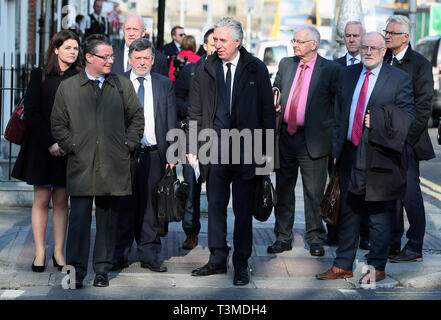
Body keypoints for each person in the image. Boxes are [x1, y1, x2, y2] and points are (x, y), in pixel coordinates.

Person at [316, 32, 415, 284]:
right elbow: (339, 115)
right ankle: (342, 264)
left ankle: (377, 266)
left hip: (379, 155)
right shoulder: (348, 75)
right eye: (365, 47)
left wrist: (379, 121)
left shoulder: (399, 79)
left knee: (378, 214)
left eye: (374, 48)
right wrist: (336, 153)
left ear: (384, 51)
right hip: (350, 152)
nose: (368, 51)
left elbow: (409, 118)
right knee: (347, 211)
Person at [51, 34, 144, 289]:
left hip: (113, 165)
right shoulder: (69, 88)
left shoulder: (122, 86)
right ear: (89, 58)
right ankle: (75, 273)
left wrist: (128, 144)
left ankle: (102, 270)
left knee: (107, 221)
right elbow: (58, 124)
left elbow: (137, 118)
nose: (111, 61)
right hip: (81, 166)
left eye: (112, 56)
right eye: (106, 57)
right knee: (79, 222)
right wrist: (72, 145)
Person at [188, 17, 275, 286]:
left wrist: (267, 158)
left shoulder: (255, 68)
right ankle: (216, 258)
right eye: (215, 39)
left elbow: (267, 114)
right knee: (214, 207)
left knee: (242, 210)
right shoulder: (205, 67)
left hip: (246, 151)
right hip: (214, 150)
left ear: (238, 41)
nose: (217, 44)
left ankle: (240, 263)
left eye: (222, 40)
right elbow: (195, 110)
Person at [12, 30, 82, 273]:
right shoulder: (39, 75)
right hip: (42, 147)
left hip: (68, 147)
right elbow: (32, 112)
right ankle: (40, 252)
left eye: (75, 48)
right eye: (68, 48)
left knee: (62, 201)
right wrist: (51, 142)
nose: (73, 52)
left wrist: (66, 142)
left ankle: (59, 252)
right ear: (55, 49)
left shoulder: (80, 76)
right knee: (41, 200)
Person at [268, 25, 340, 257]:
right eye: (294, 40)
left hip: (314, 141)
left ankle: (316, 238)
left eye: (299, 41)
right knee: (284, 191)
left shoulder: (329, 69)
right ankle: (283, 237)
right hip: (286, 138)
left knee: (313, 192)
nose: (294, 45)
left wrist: (334, 142)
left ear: (314, 44)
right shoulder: (286, 64)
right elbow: (277, 88)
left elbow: (338, 107)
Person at [111, 38, 177, 272]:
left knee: (151, 207)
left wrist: (172, 154)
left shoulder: (164, 84)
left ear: (153, 60)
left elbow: (170, 120)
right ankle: (119, 254)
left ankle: (150, 254)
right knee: (123, 204)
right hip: (124, 155)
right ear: (129, 60)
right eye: (137, 58)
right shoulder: (117, 83)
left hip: (154, 154)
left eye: (146, 58)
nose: (141, 62)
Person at [383, 15, 435, 262]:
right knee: (390, 194)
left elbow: (423, 107)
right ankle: (393, 243)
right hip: (382, 139)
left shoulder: (420, 64)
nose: (387, 36)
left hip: (407, 142)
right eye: (386, 31)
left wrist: (405, 138)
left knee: (409, 194)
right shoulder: (384, 59)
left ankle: (414, 246)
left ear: (405, 37)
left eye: (392, 33)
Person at [329, 21, 371, 250]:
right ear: (343, 38)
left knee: (364, 192)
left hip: (367, 142)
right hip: (344, 143)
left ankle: (365, 235)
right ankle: (336, 233)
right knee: (340, 191)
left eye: (356, 35)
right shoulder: (336, 68)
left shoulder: (376, 68)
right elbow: (334, 108)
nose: (352, 39)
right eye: (348, 35)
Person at [174, 28, 215, 250]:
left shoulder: (226, 72)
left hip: (219, 139)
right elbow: (177, 98)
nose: (216, 46)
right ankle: (191, 231)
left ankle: (218, 236)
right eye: (212, 42)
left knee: (218, 191)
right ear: (205, 46)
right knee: (191, 188)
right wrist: (192, 111)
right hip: (191, 137)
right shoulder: (190, 70)